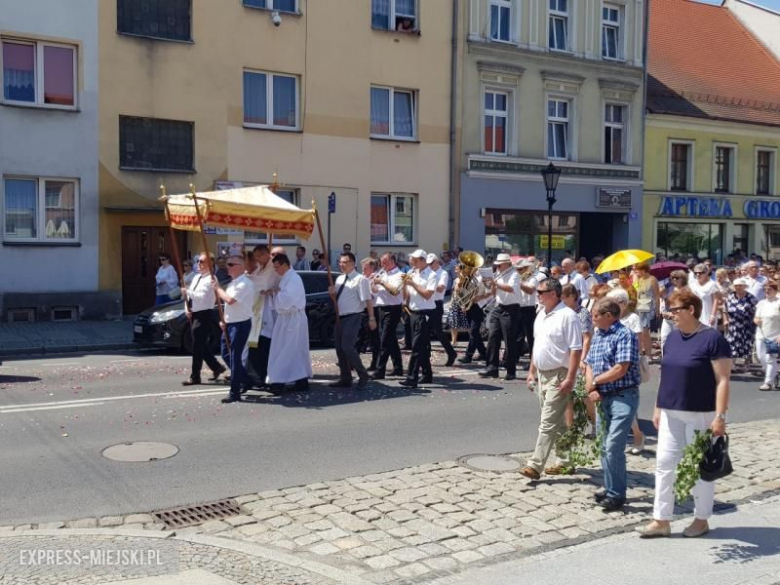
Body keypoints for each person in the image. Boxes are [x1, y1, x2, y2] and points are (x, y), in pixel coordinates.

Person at [637, 289, 731, 539]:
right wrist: (658, 406)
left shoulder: (713, 339)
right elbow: (666, 376)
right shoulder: (673, 338)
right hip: (671, 410)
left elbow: (722, 380)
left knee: (700, 467)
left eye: (675, 310)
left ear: (690, 310)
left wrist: (720, 416)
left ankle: (701, 519)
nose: (670, 315)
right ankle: (661, 519)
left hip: (701, 412)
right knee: (665, 464)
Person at [520, 279, 583, 480]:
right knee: (558, 423)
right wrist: (532, 371)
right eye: (538, 291)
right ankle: (565, 462)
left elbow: (575, 349)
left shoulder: (568, 316)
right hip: (542, 374)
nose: (538, 294)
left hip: (560, 374)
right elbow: (537, 345)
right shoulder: (541, 315)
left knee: (547, 422)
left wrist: (571, 378)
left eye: (542, 291)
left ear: (554, 294)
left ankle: (535, 465)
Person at [584, 298, 641, 511]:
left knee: (614, 445)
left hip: (622, 396)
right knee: (604, 445)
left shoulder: (624, 335)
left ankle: (617, 494)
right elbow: (590, 363)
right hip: (602, 396)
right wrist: (592, 387)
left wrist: (596, 382)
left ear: (608, 315)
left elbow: (621, 368)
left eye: (595, 316)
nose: (593, 319)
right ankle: (609, 488)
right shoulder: (599, 335)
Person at [606, 287, 646, 455]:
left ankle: (637, 436)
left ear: (622, 303)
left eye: (613, 303)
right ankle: (614, 440)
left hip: (627, 366)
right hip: (610, 365)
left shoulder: (633, 318)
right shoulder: (611, 318)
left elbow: (638, 342)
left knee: (626, 404)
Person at [328, 252, 376, 389]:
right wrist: (332, 295)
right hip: (340, 317)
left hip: (353, 316)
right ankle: (345, 377)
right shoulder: (339, 279)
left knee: (347, 347)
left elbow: (367, 300)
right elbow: (337, 301)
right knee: (339, 348)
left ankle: (363, 374)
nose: (342, 265)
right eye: (340, 262)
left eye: (345, 262)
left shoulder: (361, 280)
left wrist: (371, 318)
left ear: (353, 263)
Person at [266, 253, 312, 392]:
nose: (276, 270)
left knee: (287, 350)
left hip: (293, 318)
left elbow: (288, 299)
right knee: (293, 350)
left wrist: (276, 292)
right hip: (286, 318)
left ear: (285, 265)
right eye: (274, 267)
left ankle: (278, 382)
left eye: (277, 267)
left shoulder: (294, 278)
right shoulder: (285, 278)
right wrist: (276, 291)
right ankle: (300, 380)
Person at [212, 255, 255, 403]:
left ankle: (234, 392)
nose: (228, 267)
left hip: (241, 324)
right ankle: (247, 379)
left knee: (235, 357)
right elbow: (227, 305)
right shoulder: (233, 283)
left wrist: (217, 288)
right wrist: (224, 320)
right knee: (225, 354)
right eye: (227, 264)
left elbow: (230, 300)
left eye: (231, 264)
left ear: (241, 267)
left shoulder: (245, 283)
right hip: (231, 323)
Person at [181, 253, 224, 386]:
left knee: (197, 346)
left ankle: (195, 376)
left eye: (202, 262)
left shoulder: (212, 279)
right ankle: (216, 367)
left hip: (204, 314)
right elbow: (190, 296)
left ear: (210, 264)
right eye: (198, 261)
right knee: (199, 344)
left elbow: (202, 297)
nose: (199, 264)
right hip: (195, 313)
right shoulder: (197, 277)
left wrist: (187, 292)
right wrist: (187, 308)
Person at [480, 253, 521, 381]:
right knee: (492, 337)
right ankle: (492, 368)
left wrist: (495, 283)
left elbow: (510, 288)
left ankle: (511, 370)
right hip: (499, 307)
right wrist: (489, 284)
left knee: (509, 340)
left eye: (500, 264)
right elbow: (493, 292)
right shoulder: (498, 274)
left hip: (511, 308)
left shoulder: (514, 274)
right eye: (497, 264)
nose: (497, 266)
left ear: (507, 264)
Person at [400, 249, 437, 388]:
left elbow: (427, 294)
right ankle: (427, 374)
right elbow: (407, 294)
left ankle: (412, 377)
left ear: (423, 260)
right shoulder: (412, 273)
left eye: (415, 261)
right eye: (412, 261)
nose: (413, 263)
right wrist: (404, 285)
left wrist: (413, 284)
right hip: (414, 312)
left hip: (425, 312)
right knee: (421, 346)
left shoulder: (432, 275)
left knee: (416, 346)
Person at [245, 245, 279, 390]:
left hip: (267, 311)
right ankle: (254, 377)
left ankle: (262, 376)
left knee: (264, 345)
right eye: (256, 257)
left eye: (259, 256)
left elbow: (263, 284)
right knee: (254, 345)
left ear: (266, 254)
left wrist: (250, 281)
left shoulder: (272, 267)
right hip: (257, 310)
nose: (257, 259)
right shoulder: (261, 267)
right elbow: (255, 280)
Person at [369, 252, 405, 380]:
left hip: (393, 309)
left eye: (384, 261)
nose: (382, 264)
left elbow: (395, 291)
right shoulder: (383, 274)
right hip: (382, 308)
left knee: (384, 341)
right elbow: (375, 291)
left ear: (392, 261)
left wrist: (382, 282)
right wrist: (372, 281)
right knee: (391, 340)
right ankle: (398, 368)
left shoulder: (398, 274)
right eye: (381, 261)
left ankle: (380, 370)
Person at [427, 254, 458, 366]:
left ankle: (451, 352)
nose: (429, 266)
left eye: (431, 263)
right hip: (427, 303)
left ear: (436, 262)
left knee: (438, 332)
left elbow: (440, 289)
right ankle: (426, 357)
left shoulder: (443, 273)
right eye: (428, 264)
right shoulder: (427, 273)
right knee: (424, 332)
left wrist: (429, 284)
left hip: (436, 304)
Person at [724, 277, 758, 371]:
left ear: (744, 286)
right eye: (736, 286)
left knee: (747, 343)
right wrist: (725, 319)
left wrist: (755, 319)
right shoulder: (730, 296)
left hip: (747, 324)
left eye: (740, 285)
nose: (738, 287)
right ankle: (732, 365)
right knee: (731, 343)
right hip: (733, 324)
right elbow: (724, 309)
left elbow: (758, 309)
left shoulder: (751, 297)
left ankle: (747, 364)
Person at [754, 281, 780, 391]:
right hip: (761, 334)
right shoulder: (761, 303)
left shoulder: (778, 303)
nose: (767, 291)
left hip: (774, 335)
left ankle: (767, 383)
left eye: (770, 289)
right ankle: (774, 374)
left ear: (775, 290)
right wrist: (756, 320)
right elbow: (756, 317)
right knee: (761, 357)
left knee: (770, 359)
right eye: (765, 289)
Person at [358, 257, 381, 371]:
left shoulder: (376, 277)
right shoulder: (363, 278)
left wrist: (371, 283)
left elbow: (374, 294)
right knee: (359, 336)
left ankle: (375, 363)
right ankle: (352, 362)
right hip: (363, 310)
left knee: (373, 339)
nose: (363, 269)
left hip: (373, 310)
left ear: (372, 267)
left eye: (365, 267)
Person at [634, 262, 661, 357]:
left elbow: (657, 296)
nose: (637, 273)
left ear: (644, 270)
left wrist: (657, 310)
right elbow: (637, 294)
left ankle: (649, 354)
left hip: (650, 307)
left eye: (638, 271)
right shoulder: (639, 280)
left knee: (645, 331)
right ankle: (644, 351)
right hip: (640, 307)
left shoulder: (652, 279)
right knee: (641, 332)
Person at [446, 264, 471, 346]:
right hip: (455, 302)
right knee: (453, 322)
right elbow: (454, 292)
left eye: (457, 268)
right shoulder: (455, 280)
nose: (455, 269)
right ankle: (454, 341)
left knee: (466, 323)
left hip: (464, 302)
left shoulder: (466, 279)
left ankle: (473, 340)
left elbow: (462, 291)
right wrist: (450, 302)